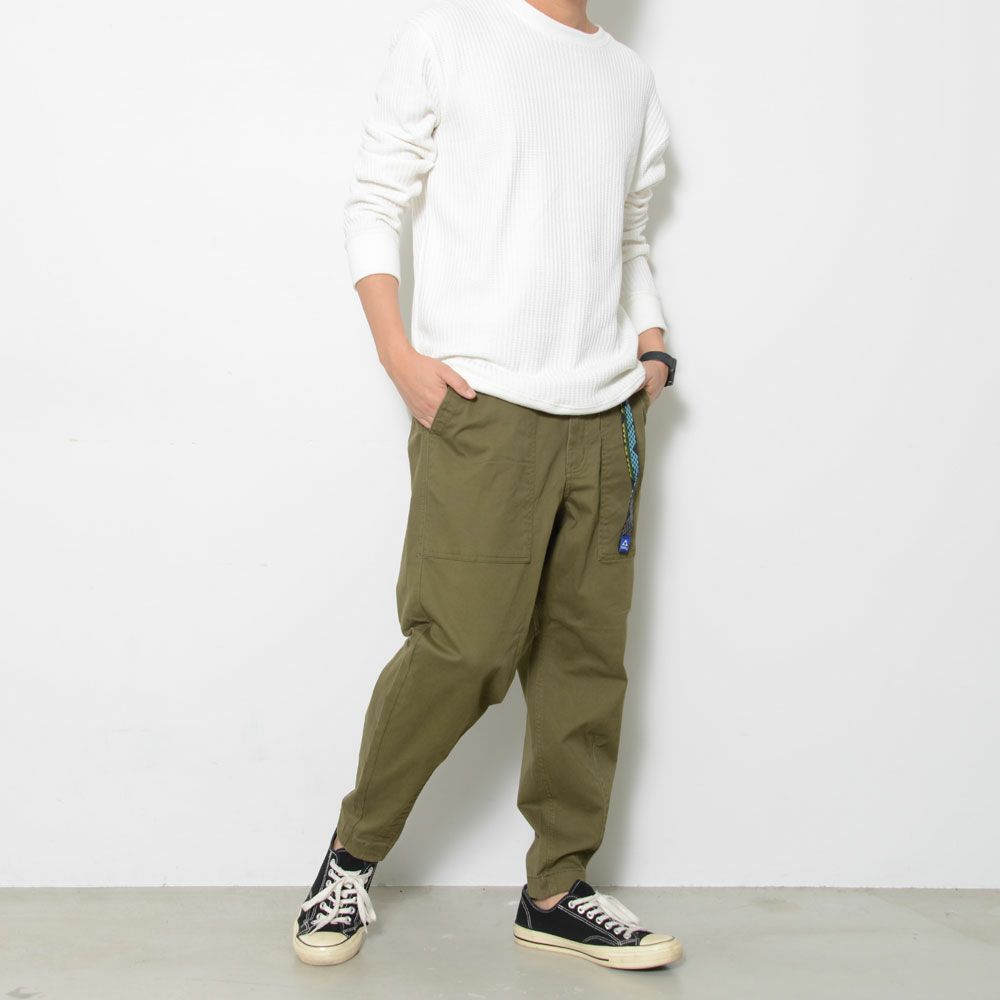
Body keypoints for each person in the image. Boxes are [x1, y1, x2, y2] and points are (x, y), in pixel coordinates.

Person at [293, 0, 681, 972]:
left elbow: (627, 234)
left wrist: (652, 344)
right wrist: (398, 354)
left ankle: (557, 889)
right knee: (461, 648)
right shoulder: (449, 37)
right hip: (483, 408)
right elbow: (375, 198)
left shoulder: (628, 78)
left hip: (606, 417)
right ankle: (352, 856)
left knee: (585, 662)